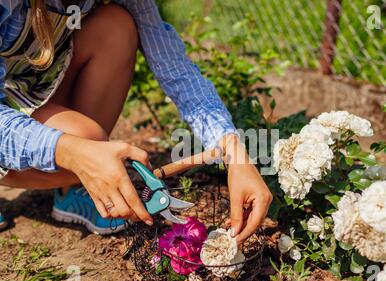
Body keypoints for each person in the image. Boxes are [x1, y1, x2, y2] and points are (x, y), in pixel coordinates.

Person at [0, 0, 272, 242]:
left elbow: (177, 71)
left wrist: (235, 154)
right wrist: (70, 150)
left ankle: (71, 192)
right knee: (86, 139)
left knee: (115, 27)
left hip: (31, 87)